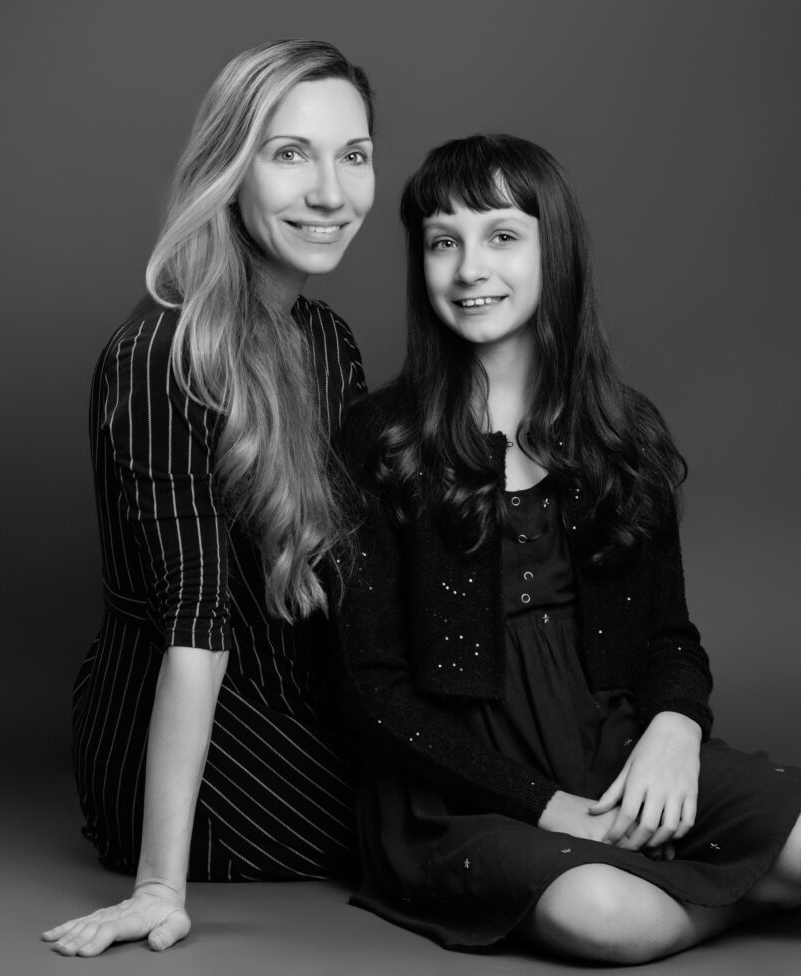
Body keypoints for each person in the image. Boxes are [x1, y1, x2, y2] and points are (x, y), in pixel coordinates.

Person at [334, 134, 801, 964]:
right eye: (444, 241)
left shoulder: (622, 431)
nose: (470, 267)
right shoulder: (382, 437)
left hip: (613, 746)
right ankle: (734, 891)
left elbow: (670, 638)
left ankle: (711, 866)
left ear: (557, 252)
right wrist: (541, 803)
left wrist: (674, 728)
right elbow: (370, 691)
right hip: (460, 791)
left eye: (503, 236)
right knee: (610, 919)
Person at [42, 39, 376, 957]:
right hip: (186, 743)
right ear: (229, 170)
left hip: (298, 702)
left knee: (492, 783)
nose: (330, 192)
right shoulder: (161, 355)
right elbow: (194, 622)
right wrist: (160, 883)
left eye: (353, 155)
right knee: (435, 832)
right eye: (289, 153)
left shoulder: (326, 339)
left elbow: (344, 574)